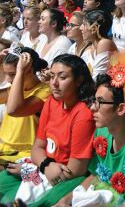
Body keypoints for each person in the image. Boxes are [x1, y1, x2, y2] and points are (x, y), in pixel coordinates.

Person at [54, 53, 125, 207]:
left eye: (100, 102)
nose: (92, 107)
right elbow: (96, 175)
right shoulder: (102, 132)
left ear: (120, 109)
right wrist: (65, 200)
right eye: (94, 100)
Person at [0, 54, 95, 207]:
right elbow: (37, 147)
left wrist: (35, 171)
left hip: (65, 178)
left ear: (79, 80)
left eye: (62, 77)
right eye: (51, 77)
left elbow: (75, 171)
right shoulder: (52, 102)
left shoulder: (83, 115)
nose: (54, 83)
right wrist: (44, 165)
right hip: (44, 167)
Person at [0, 47, 50, 164]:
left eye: (12, 74)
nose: (8, 79)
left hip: (25, 155)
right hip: (5, 150)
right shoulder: (15, 89)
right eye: (6, 74)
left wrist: (20, 73)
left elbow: (14, 110)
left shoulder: (46, 91)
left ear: (29, 69)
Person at [80, 9, 117, 80]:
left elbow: (98, 77)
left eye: (84, 24)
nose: (80, 28)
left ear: (94, 29)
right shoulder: (90, 47)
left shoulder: (104, 43)